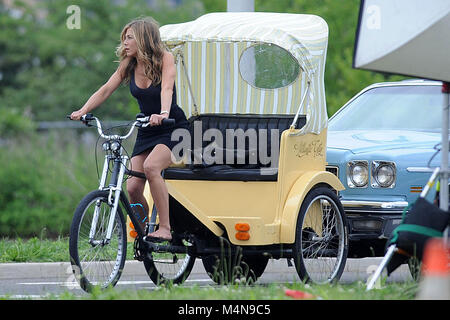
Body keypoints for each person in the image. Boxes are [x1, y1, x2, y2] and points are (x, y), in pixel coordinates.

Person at [70, 17, 189, 242]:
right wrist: (82, 110)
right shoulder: (129, 63)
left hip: (172, 128)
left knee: (152, 167)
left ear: (144, 39)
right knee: (133, 187)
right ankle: (145, 234)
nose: (125, 42)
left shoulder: (166, 58)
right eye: (124, 38)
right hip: (147, 128)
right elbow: (106, 89)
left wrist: (163, 114)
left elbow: (167, 88)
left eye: (130, 37)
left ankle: (165, 227)